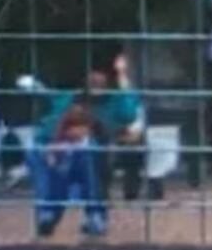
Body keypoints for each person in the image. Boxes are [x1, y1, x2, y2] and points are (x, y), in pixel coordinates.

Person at [31, 75, 107, 239]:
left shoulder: (100, 111)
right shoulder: (69, 106)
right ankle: (49, 217)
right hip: (65, 151)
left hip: (84, 152)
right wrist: (54, 150)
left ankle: (95, 218)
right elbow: (58, 132)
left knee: (91, 184)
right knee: (57, 184)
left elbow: (100, 133)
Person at [95, 48, 149, 202]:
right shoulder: (109, 93)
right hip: (113, 130)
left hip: (127, 129)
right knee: (106, 158)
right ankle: (104, 192)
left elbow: (136, 109)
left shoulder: (129, 93)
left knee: (132, 156)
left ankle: (130, 192)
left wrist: (134, 130)